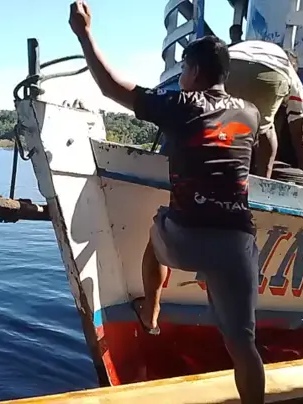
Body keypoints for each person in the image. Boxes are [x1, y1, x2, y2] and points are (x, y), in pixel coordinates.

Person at [68, 2, 265, 402]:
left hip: (186, 235)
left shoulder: (181, 105)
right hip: (236, 241)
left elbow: (111, 87)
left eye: (184, 70)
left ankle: (151, 312)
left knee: (155, 232)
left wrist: (84, 34)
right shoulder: (250, 113)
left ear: (194, 71)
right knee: (243, 344)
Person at [226, 36, 303, 185]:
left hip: (227, 64)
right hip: (271, 72)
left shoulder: (253, 46)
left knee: (219, 121)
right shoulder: (288, 70)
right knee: (266, 131)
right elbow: (300, 133)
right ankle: (263, 184)